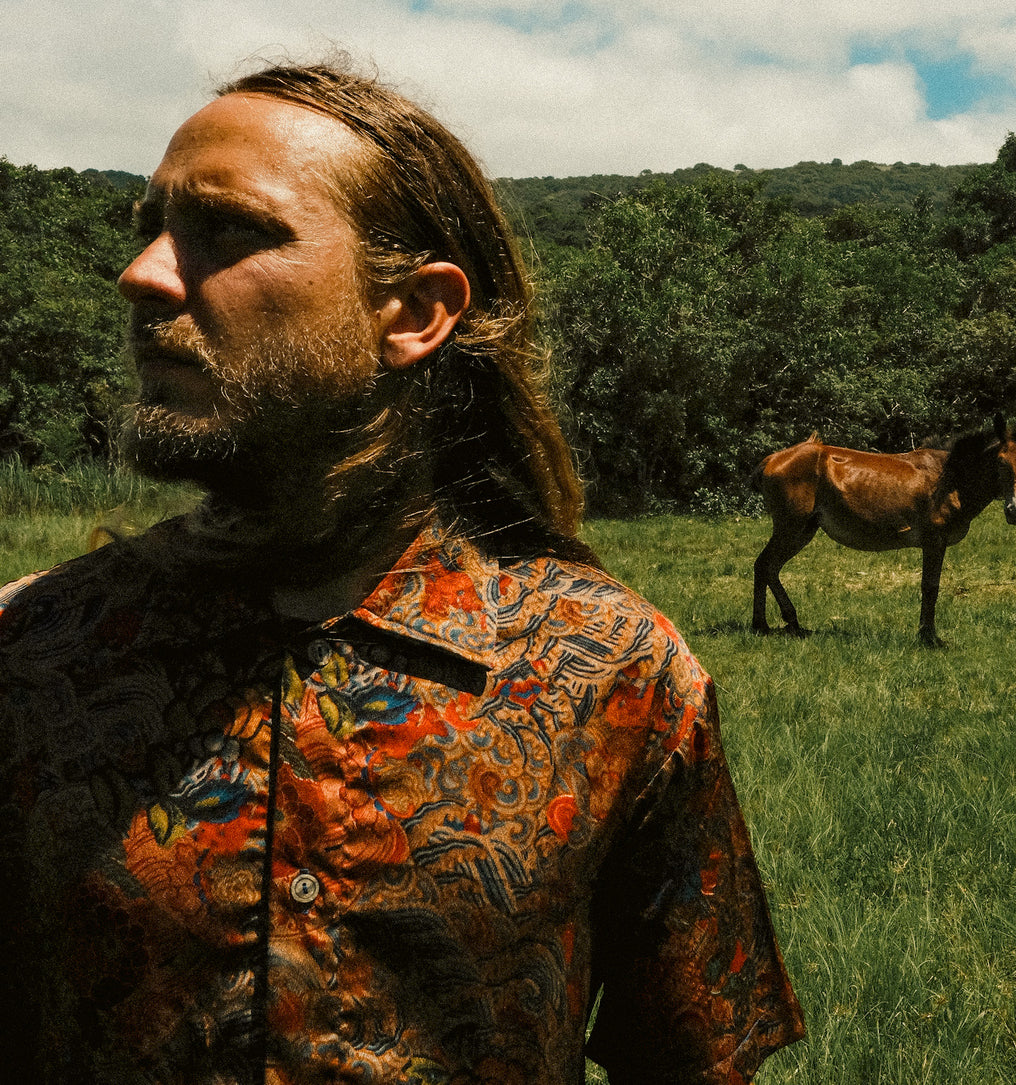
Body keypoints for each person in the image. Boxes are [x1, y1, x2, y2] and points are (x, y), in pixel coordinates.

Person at [0, 60, 804, 1084]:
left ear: (415, 312)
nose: (145, 272)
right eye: (148, 225)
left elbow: (692, 1058)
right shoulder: (32, 655)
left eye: (229, 230)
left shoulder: (608, 674)